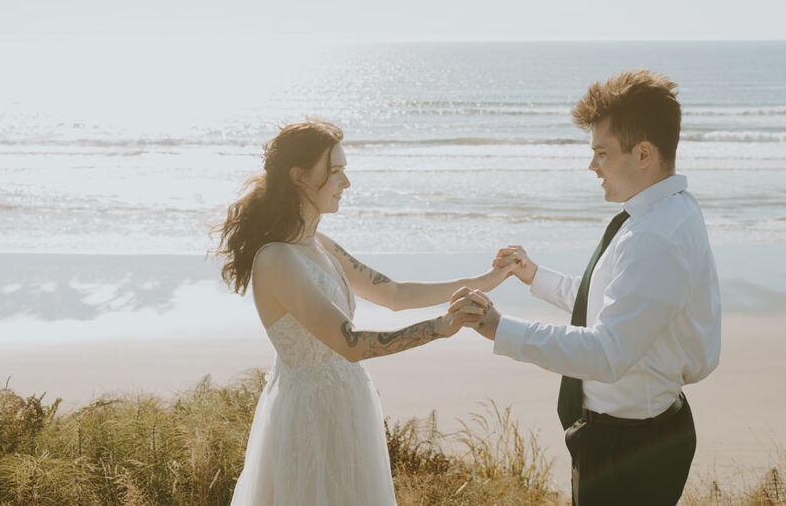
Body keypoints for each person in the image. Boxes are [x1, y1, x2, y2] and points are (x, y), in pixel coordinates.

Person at [450, 70, 722, 505]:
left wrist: (500, 327)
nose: (591, 165)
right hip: (637, 434)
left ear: (644, 153)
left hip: (630, 450)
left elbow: (606, 352)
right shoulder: (670, 210)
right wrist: (535, 275)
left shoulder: (654, 238)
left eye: (601, 152)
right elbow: (610, 301)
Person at [216, 120, 513, 506]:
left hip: (346, 402)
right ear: (300, 176)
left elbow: (393, 293)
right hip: (309, 416)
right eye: (336, 171)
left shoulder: (319, 243)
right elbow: (350, 344)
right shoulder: (277, 258)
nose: (347, 183)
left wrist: (486, 280)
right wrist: (440, 327)